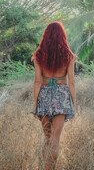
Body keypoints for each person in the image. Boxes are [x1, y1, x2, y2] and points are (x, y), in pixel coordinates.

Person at [31, 21, 76, 170]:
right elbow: (71, 83)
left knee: (47, 138)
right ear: (62, 36)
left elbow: (37, 82)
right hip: (61, 97)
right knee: (55, 140)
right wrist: (73, 104)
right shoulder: (68, 56)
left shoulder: (38, 55)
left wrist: (35, 104)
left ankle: (46, 168)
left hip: (43, 96)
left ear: (46, 35)